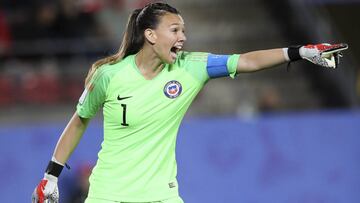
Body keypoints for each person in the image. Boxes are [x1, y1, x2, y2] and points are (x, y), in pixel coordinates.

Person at [31, 2, 348, 203]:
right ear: (151, 35)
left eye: (184, 29)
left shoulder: (192, 67)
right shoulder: (108, 76)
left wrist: (299, 52)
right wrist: (50, 177)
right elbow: (79, 120)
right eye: (175, 30)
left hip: (161, 197)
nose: (183, 37)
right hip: (108, 195)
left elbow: (247, 61)